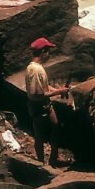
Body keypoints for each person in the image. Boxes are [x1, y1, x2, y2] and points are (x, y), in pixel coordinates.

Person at [26, 37, 68, 166]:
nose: (49, 54)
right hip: (38, 106)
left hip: (45, 104)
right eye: (48, 51)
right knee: (39, 136)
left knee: (56, 127)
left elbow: (44, 87)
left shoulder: (37, 68)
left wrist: (58, 90)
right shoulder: (35, 70)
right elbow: (38, 94)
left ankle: (53, 159)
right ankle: (41, 163)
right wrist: (58, 92)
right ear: (43, 51)